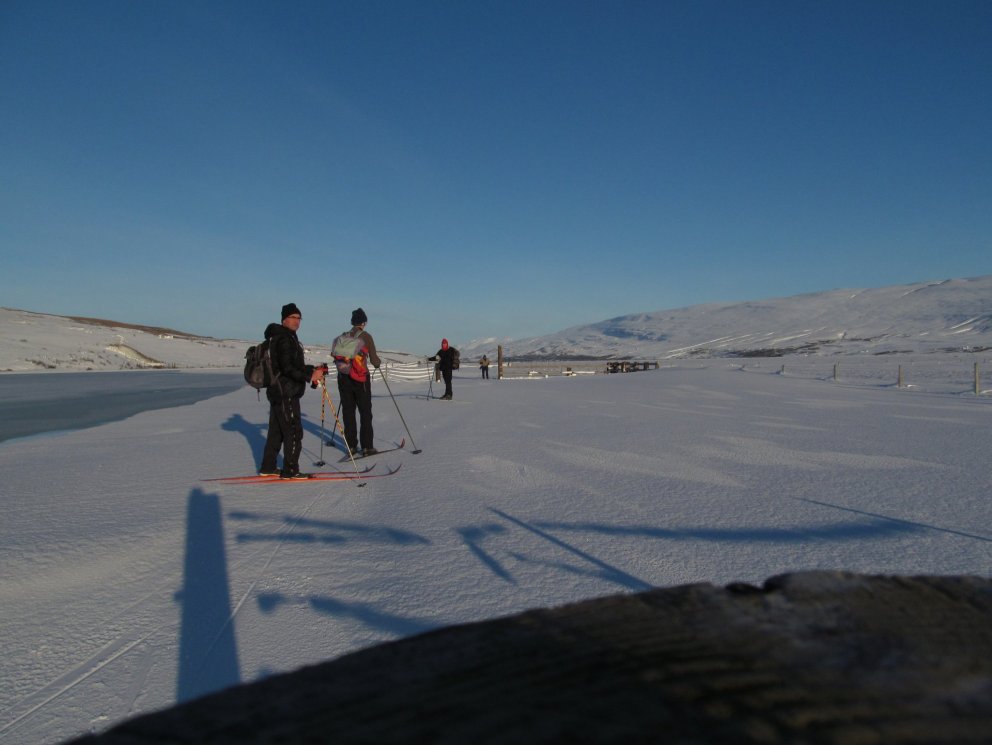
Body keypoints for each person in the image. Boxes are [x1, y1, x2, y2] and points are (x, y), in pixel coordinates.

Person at [259, 303, 326, 479]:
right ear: (284, 319)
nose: (297, 321)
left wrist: (311, 369)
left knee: (277, 431)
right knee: (294, 431)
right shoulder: (284, 338)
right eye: (293, 318)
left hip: (278, 391)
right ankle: (291, 470)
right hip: (285, 391)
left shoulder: (283, 337)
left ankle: (268, 467)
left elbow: (292, 365)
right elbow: (288, 368)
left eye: (299, 318)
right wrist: (310, 376)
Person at [333, 308, 381, 456]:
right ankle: (367, 447)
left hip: (344, 379)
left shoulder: (342, 336)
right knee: (365, 412)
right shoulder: (366, 336)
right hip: (361, 380)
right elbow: (374, 360)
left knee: (348, 412)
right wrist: (377, 363)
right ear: (364, 322)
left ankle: (351, 446)